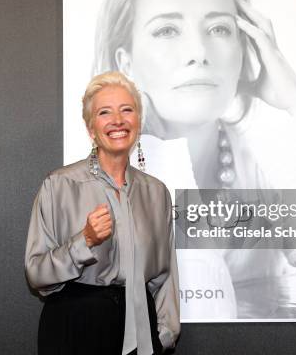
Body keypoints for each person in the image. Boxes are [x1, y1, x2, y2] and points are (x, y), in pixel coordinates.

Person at [91, 0, 296, 319]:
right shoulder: (96, 185)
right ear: (127, 64)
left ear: (246, 48)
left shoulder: (264, 161)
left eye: (219, 28)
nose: (198, 52)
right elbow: (195, 316)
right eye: (167, 30)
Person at [25, 71, 180, 354]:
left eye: (127, 110)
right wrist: (83, 241)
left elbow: (166, 276)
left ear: (138, 121)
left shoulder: (156, 193)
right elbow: (36, 274)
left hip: (141, 333)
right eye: (105, 112)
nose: (118, 120)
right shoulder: (59, 185)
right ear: (91, 129)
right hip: (76, 329)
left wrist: (165, 334)